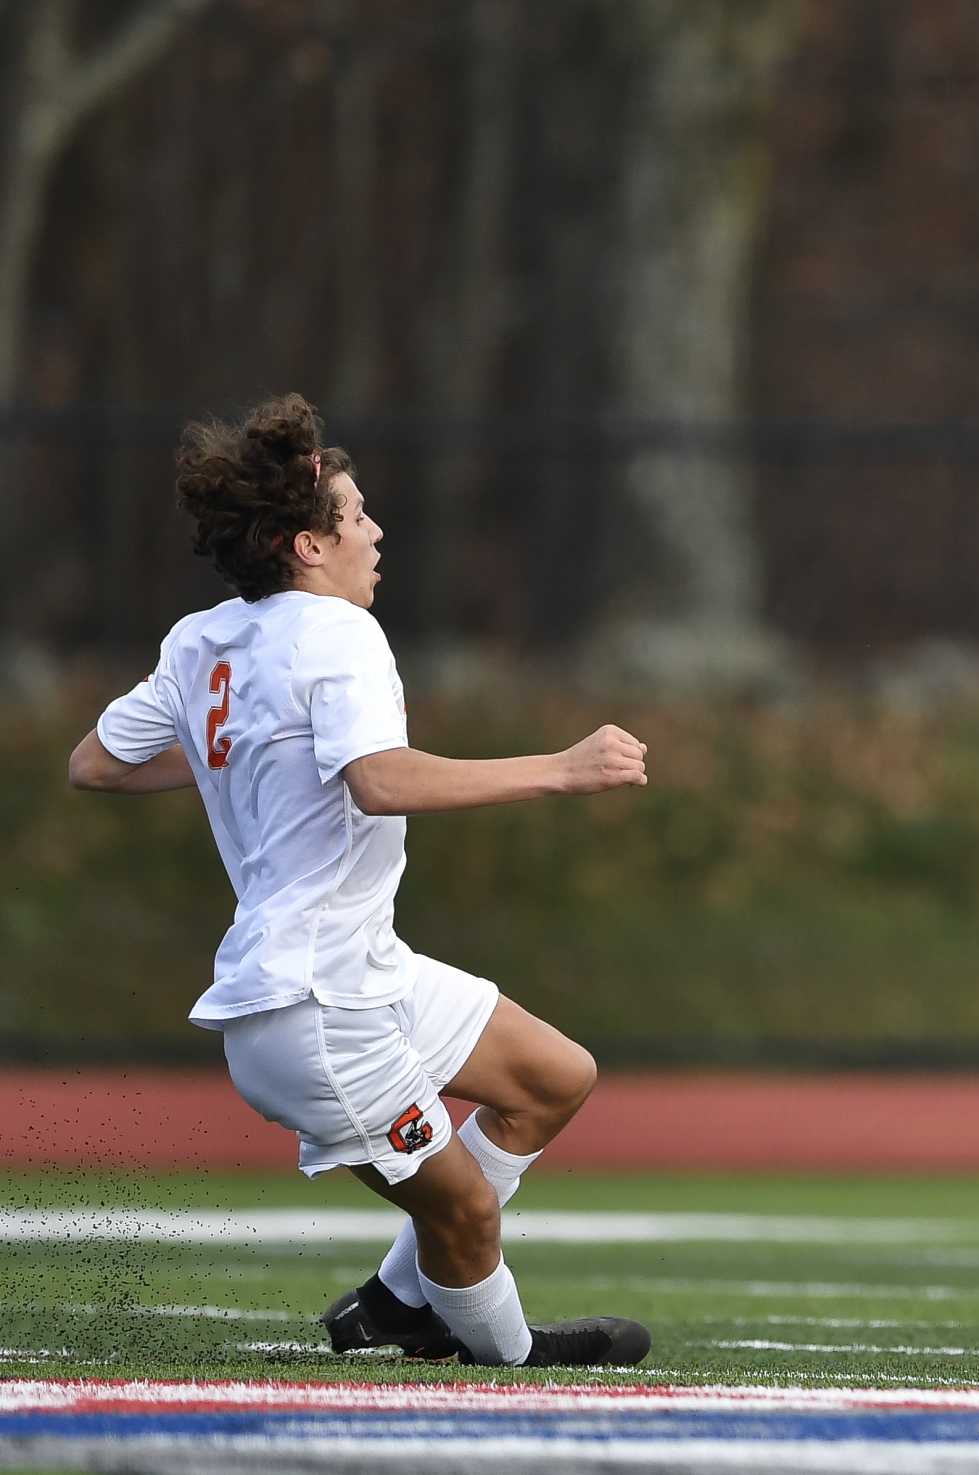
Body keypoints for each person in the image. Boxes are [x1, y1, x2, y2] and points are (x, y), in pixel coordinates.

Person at [68, 393, 654, 1368]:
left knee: (553, 1075)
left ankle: (395, 1297)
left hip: (357, 972)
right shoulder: (338, 634)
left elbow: (94, 760)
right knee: (462, 1210)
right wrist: (562, 766)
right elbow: (378, 782)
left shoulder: (201, 639)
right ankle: (506, 1358)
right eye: (357, 513)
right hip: (312, 1006)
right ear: (307, 543)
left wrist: (242, 753)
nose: (375, 530)